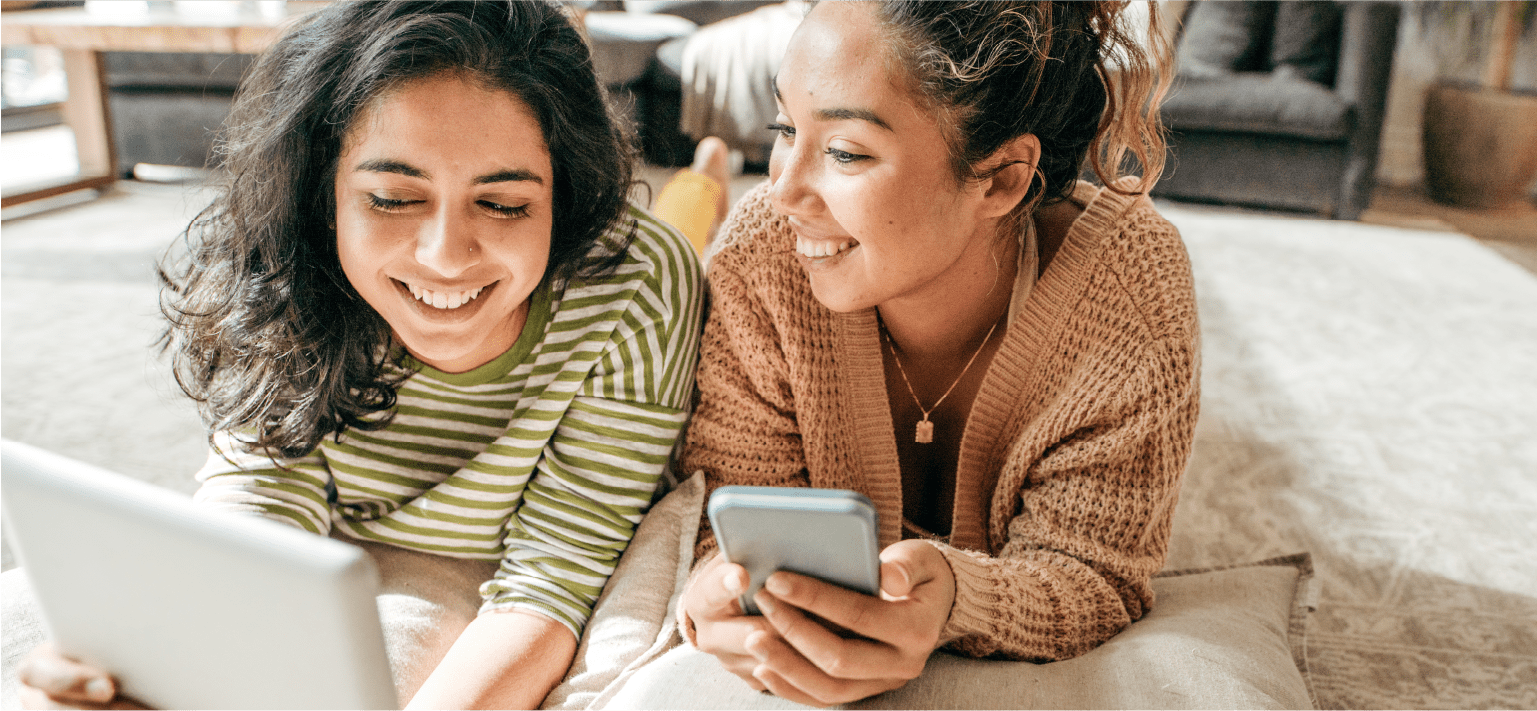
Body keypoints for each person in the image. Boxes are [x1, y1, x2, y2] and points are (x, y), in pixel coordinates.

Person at [16, 1, 705, 708]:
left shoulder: (636, 281)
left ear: (564, 197)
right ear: (323, 196)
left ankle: (704, 174)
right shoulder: (287, 266)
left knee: (694, 208)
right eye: (390, 197)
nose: (444, 256)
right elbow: (260, 497)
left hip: (506, 547)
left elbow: (553, 574)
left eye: (502, 205)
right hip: (350, 538)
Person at [676, 0, 1199, 706]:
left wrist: (957, 596)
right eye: (783, 129)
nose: (783, 189)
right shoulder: (758, 261)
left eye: (844, 152)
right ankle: (701, 175)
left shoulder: (1130, 292)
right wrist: (716, 589)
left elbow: (1096, 569)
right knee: (674, 242)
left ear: (1002, 178)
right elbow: (723, 509)